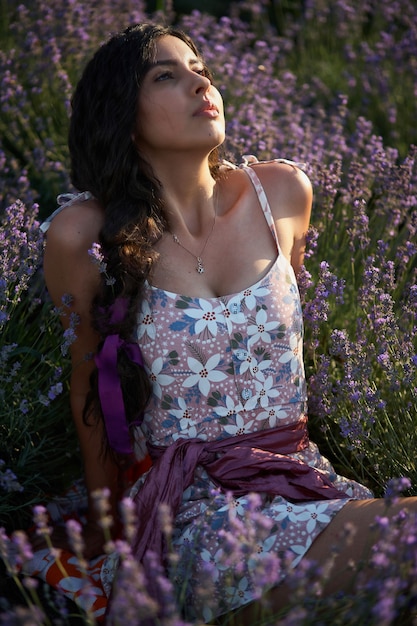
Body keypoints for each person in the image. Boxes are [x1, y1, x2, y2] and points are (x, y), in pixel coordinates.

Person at [40, 22, 417, 623]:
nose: (199, 84)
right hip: (191, 510)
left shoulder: (282, 193)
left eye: (201, 70)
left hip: (300, 479)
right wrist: (110, 527)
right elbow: (88, 386)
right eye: (168, 75)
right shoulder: (83, 235)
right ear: (122, 113)